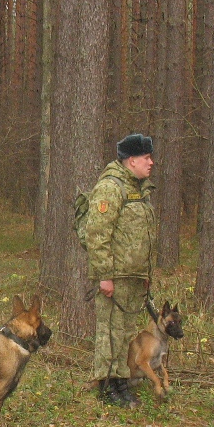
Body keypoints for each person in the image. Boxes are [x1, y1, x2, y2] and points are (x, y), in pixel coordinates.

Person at [83, 133, 157, 407]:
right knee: (109, 333)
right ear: (132, 160)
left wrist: (146, 274)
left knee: (125, 333)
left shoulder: (139, 189)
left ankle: (121, 380)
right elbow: (97, 234)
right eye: (147, 158)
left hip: (134, 276)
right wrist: (105, 275)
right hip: (114, 276)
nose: (151, 163)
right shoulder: (110, 188)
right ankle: (107, 385)